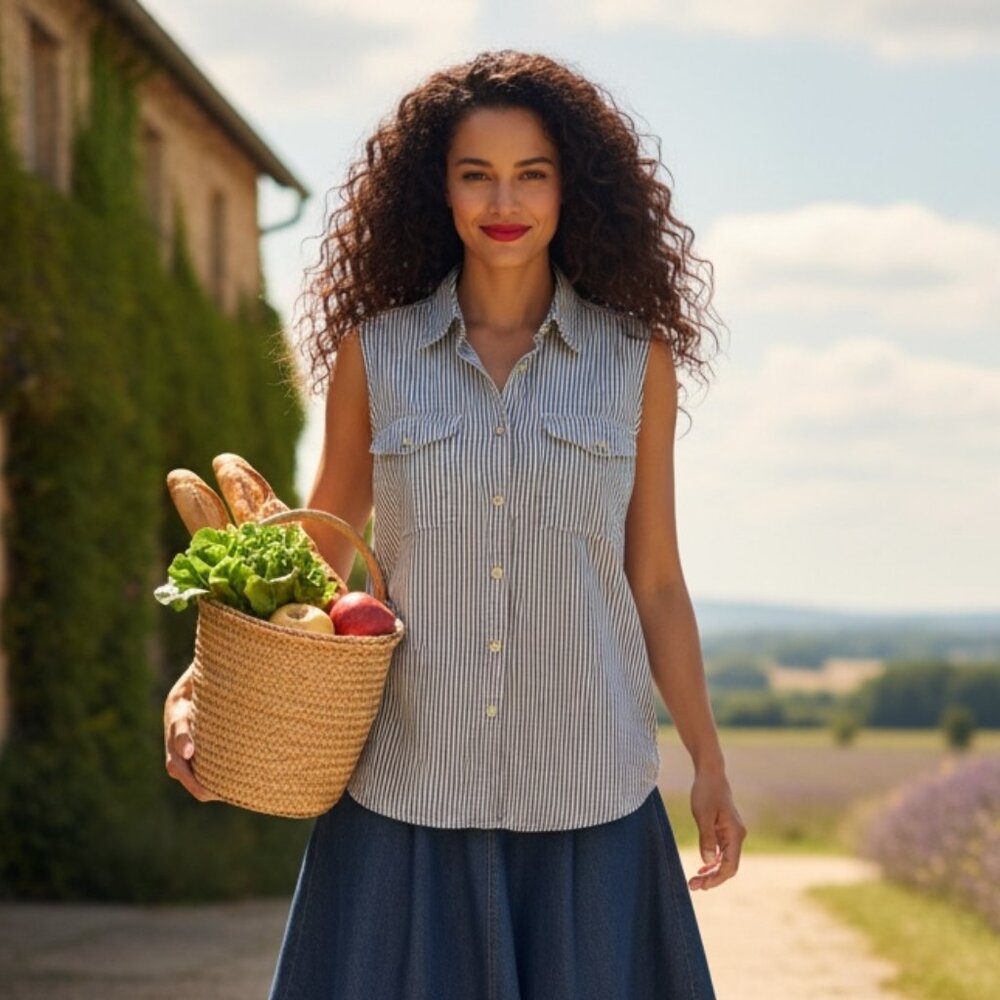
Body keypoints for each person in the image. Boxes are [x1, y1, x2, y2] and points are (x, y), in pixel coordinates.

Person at [164, 48, 745, 999]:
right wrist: (199, 684)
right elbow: (315, 557)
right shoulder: (376, 353)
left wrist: (708, 763)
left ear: (571, 188)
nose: (503, 201)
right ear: (438, 189)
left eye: (532, 174)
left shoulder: (634, 360)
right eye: (476, 174)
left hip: (588, 798)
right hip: (405, 794)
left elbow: (657, 582)